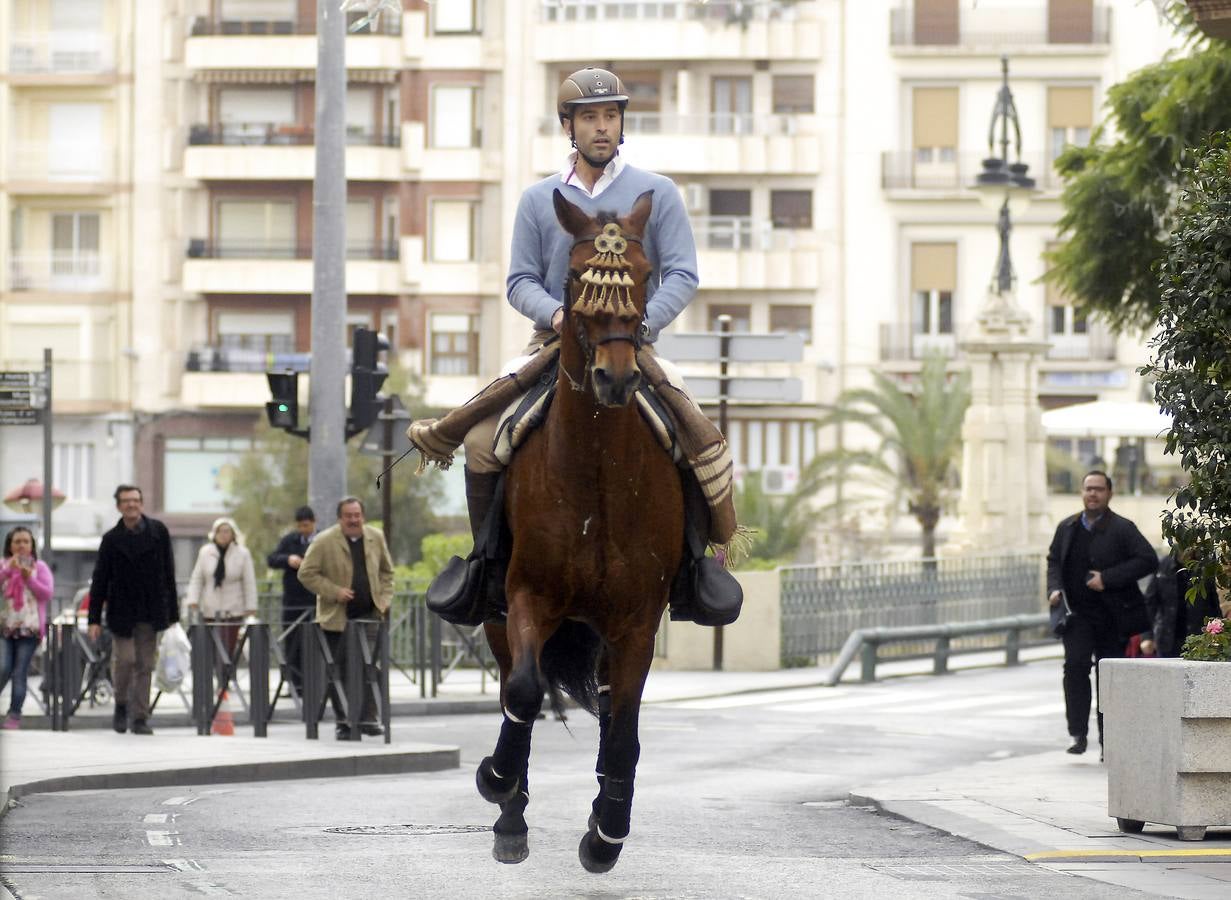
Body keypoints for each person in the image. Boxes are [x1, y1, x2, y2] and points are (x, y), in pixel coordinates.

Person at [1046, 470, 1156, 756]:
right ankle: (1078, 734)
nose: (1092, 494)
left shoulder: (1123, 528)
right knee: (1074, 668)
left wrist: (1107, 578)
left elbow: (1147, 560)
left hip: (1113, 617)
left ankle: (1110, 740)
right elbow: (1054, 561)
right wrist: (1054, 589)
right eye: (1088, 489)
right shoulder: (1067, 527)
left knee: (1110, 677)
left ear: (1109, 493)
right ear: (1082, 493)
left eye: (1098, 489)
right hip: (1076, 616)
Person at [297, 497, 393, 740]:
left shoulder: (375, 536)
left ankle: (368, 718)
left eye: (357, 515)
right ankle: (343, 722)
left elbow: (387, 572)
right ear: (340, 518)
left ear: (363, 516)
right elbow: (306, 573)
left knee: (370, 667)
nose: (353, 520)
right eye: (348, 516)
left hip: (369, 616)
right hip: (335, 618)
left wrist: (383, 600)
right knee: (338, 672)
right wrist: (334, 591)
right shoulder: (324, 540)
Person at [88, 485, 179, 735]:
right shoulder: (111, 539)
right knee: (126, 660)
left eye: (136, 500)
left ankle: (140, 717)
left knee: (145, 664)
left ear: (142, 503)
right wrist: (93, 618)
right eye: (126, 501)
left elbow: (169, 573)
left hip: (151, 609)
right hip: (122, 610)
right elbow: (100, 579)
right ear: (119, 506)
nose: (132, 505)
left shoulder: (158, 532)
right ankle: (120, 704)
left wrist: (173, 614)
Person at [185, 516, 258, 693]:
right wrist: (193, 600)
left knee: (229, 646)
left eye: (227, 531)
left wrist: (251, 606)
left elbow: (249, 581)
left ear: (233, 534)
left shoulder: (242, 553)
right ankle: (212, 680)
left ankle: (224, 680)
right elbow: (197, 578)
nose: (224, 535)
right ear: (214, 534)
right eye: (220, 531)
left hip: (234, 608)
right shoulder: (205, 552)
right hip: (210, 607)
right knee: (211, 646)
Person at [0, 526, 54, 729]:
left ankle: (14, 714)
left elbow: (46, 594)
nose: (21, 545)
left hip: (29, 630)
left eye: (25, 541)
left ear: (32, 545)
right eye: (17, 541)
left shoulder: (40, 567)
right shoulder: (3, 565)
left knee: (19, 672)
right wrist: (7, 571)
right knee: (3, 667)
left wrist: (28, 577)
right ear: (10, 545)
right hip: (4, 627)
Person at [267, 506, 317, 695]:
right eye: (300, 526)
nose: (304, 529)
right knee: (292, 645)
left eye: (307, 525)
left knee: (315, 644)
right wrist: (288, 559)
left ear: (314, 522)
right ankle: (295, 685)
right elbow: (272, 559)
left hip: (315, 601)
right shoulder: (289, 541)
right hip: (293, 602)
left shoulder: (322, 540)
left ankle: (315, 683)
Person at [1141, 547, 1222, 658]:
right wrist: (1147, 637)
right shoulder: (1164, 566)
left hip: (1199, 639)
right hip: (1168, 639)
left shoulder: (1205, 567)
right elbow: (1150, 603)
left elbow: (1216, 605)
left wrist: (1218, 633)